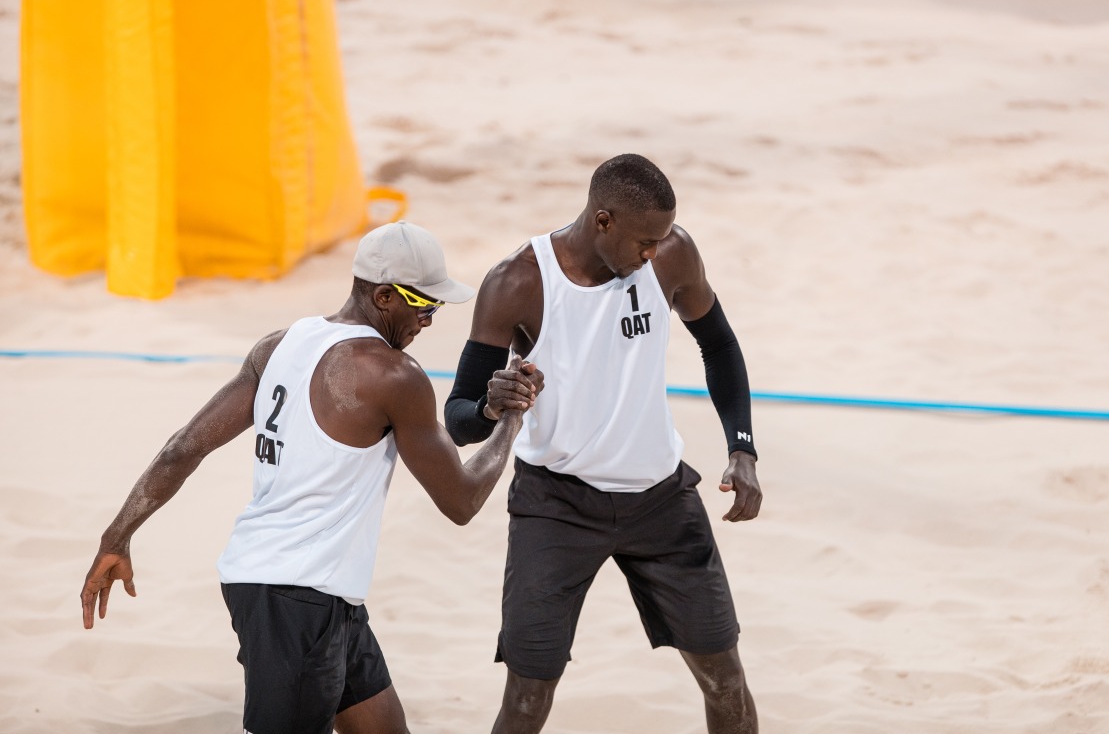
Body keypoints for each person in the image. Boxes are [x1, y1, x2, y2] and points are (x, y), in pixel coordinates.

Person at [80, 221, 542, 734]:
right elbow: (462, 501)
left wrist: (116, 536)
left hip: (296, 588)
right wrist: (513, 419)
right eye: (425, 306)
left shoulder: (279, 345)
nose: (429, 321)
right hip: (298, 597)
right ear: (386, 296)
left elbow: (183, 449)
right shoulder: (394, 375)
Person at [444, 153, 763, 734]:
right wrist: (495, 404)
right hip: (557, 507)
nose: (652, 255)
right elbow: (459, 418)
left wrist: (742, 445)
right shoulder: (517, 282)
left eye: (661, 241)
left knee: (725, 680)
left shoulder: (672, 255)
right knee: (526, 699)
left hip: (662, 500)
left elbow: (719, 345)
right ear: (603, 220)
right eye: (644, 242)